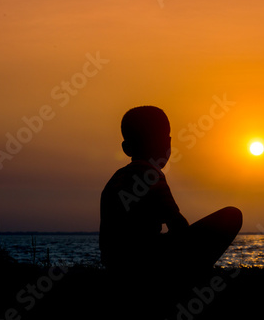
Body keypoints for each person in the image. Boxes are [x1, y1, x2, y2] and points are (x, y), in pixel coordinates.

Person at [99, 106, 242, 275]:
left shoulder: (114, 180)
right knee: (232, 215)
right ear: (167, 144)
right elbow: (178, 226)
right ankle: (195, 271)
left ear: (126, 148)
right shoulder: (151, 176)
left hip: (115, 264)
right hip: (147, 262)